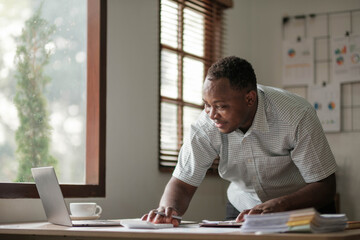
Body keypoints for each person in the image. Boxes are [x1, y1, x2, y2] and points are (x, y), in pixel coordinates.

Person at [142, 56, 337, 227]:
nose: (212, 115)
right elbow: (183, 184)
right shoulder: (206, 126)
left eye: (220, 106)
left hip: (303, 206)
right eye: (207, 105)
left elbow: (325, 186)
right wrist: (167, 210)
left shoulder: (295, 115)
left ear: (250, 99)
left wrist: (280, 204)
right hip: (244, 209)